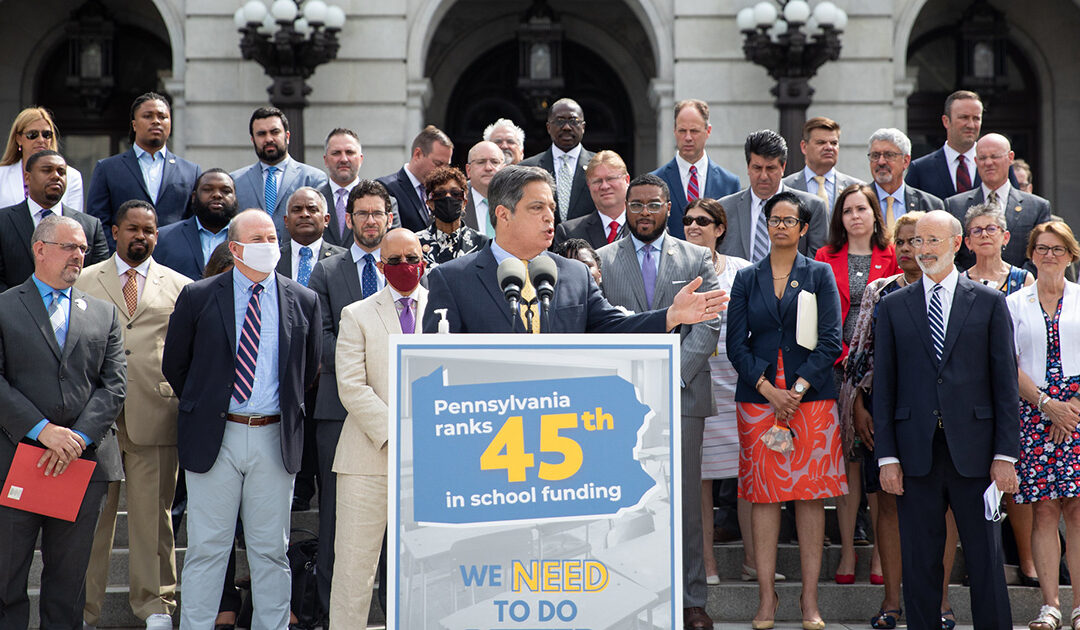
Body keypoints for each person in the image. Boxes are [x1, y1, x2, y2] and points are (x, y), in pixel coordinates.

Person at [161, 208, 322, 630]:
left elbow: (309, 371)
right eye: (258, 240)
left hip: (273, 437)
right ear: (234, 249)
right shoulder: (199, 296)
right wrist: (210, 405)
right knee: (207, 549)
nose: (270, 246)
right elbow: (176, 365)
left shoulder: (303, 299)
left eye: (273, 238)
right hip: (217, 434)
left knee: (271, 549)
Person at [874, 210, 1019, 630]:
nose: (922, 250)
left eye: (932, 241)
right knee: (919, 559)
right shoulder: (894, 306)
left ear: (957, 243)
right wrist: (887, 459)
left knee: (986, 561)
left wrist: (1005, 454)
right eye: (917, 241)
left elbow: (1005, 385)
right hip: (915, 453)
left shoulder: (989, 302)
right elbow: (884, 387)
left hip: (976, 453)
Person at [596, 173, 722, 630]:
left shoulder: (694, 257)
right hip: (619, 401)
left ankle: (690, 599)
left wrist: (668, 377)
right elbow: (602, 326)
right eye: (636, 205)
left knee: (685, 499)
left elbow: (708, 323)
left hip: (682, 395)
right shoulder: (604, 260)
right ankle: (620, 590)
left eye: (652, 205)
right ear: (625, 208)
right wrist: (636, 384)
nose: (643, 213)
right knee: (623, 499)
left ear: (668, 207)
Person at [421, 165, 729, 335]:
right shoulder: (452, 279)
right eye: (537, 207)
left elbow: (613, 328)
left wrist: (671, 316)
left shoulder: (573, 274)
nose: (549, 217)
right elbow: (435, 367)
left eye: (552, 208)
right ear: (503, 214)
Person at [726, 191, 845, 630]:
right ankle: (766, 599)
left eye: (788, 219)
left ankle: (809, 601)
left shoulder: (819, 274)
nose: (780, 226)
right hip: (759, 400)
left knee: (810, 496)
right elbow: (736, 344)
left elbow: (831, 340)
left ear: (802, 227)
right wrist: (767, 388)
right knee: (764, 496)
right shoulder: (746, 278)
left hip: (810, 399)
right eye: (773, 219)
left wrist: (793, 390)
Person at [0, 215, 126, 630]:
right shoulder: (3, 307)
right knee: (6, 581)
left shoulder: (105, 315)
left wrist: (77, 438)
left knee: (69, 585)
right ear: (40, 248)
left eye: (84, 250)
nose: (80, 256)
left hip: (81, 465)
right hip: (15, 460)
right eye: (70, 247)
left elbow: (113, 387)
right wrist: (43, 430)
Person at [76, 200, 191, 630]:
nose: (141, 236)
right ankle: (83, 609)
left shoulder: (180, 285)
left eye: (149, 229)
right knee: (90, 520)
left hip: (156, 410)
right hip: (94, 416)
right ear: (116, 230)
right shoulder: (84, 280)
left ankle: (155, 606)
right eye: (133, 229)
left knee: (153, 517)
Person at [306, 178, 395, 618]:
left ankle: (390, 613)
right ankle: (329, 616)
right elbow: (323, 337)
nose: (370, 220)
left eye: (377, 213)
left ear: (389, 217)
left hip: (397, 413)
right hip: (339, 413)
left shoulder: (409, 269)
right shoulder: (326, 270)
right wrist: (356, 373)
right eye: (362, 213)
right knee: (338, 525)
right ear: (348, 219)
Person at [330, 228, 427, 629]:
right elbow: (351, 387)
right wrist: (398, 433)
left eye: (413, 257)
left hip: (429, 460)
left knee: (423, 569)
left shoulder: (446, 307)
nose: (405, 267)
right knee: (354, 569)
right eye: (395, 260)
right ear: (380, 265)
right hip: (367, 459)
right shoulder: (357, 314)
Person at [843, 211, 926, 629]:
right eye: (904, 241)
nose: (911, 249)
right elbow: (860, 352)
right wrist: (858, 404)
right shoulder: (879, 290)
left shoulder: (950, 289)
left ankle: (939, 603)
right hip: (882, 411)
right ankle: (891, 602)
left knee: (938, 510)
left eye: (919, 241)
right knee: (888, 508)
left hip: (937, 416)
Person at [814, 184, 900, 586]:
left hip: (882, 373)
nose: (855, 216)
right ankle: (848, 550)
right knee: (846, 463)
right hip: (836, 368)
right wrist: (846, 355)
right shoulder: (824, 258)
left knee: (879, 459)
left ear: (874, 214)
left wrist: (866, 363)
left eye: (862, 208)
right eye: (847, 210)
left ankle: (881, 557)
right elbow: (820, 317)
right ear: (840, 218)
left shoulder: (895, 257)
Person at [1006, 222, 1080, 630]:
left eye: (1057, 249)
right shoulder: (1014, 304)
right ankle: (1050, 605)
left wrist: (1071, 408)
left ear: (1070, 254)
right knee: (1045, 510)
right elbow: (1007, 363)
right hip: (1033, 410)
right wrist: (1047, 404)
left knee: (1078, 510)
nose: (1049, 255)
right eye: (1041, 249)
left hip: (1078, 412)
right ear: (1031, 254)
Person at [679, 197, 756, 585]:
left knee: (747, 475)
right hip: (696, 379)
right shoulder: (676, 267)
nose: (694, 226)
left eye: (703, 221)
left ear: (720, 228)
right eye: (688, 221)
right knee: (701, 480)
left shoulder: (742, 269)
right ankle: (706, 563)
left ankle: (753, 563)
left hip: (738, 383)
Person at [85, 92, 202, 246]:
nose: (156, 121)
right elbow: (98, 223)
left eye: (162, 117)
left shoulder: (191, 171)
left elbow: (195, 223)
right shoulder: (107, 169)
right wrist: (117, 256)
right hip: (123, 261)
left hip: (173, 263)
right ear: (134, 124)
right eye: (148, 116)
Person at [0, 149, 109, 291]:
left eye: (61, 172)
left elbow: (99, 279)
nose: (56, 176)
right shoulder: (3, 221)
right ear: (27, 178)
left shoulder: (90, 226)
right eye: (47, 170)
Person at [717, 130, 828, 262]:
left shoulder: (812, 207)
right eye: (757, 168)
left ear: (783, 167)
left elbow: (817, 264)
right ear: (748, 167)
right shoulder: (724, 208)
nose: (763, 176)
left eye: (770, 168)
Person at [944, 133, 1051, 270]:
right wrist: (969, 284)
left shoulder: (1037, 207)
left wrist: (1018, 282)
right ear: (976, 161)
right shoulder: (955, 205)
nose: (988, 163)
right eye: (983, 158)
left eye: (994, 156)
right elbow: (950, 255)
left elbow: (1041, 253)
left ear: (1010, 158)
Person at [230, 106, 328, 240]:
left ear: (287, 136)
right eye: (261, 134)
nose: (269, 139)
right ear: (253, 140)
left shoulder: (313, 178)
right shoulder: (236, 181)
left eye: (275, 132)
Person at [652, 99, 740, 238]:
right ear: (674, 131)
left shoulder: (728, 183)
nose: (688, 137)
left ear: (708, 131)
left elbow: (733, 234)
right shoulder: (655, 182)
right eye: (682, 131)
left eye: (694, 131)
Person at [319, 128, 401, 246]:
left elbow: (393, 245)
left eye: (350, 152)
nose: (343, 159)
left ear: (361, 159)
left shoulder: (386, 203)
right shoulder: (312, 203)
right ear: (325, 160)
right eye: (336, 153)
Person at [153, 169, 239, 281]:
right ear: (194, 197)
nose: (217, 195)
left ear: (235, 197)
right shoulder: (164, 238)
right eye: (207, 190)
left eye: (226, 191)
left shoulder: (247, 239)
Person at [520, 98, 596, 222]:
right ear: (548, 127)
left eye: (573, 121)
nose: (566, 127)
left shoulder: (599, 165)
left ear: (583, 127)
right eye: (559, 121)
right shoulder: (527, 168)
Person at [905, 90, 984, 202]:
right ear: (946, 121)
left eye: (976, 118)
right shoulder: (921, 169)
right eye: (964, 117)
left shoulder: (998, 165)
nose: (971, 125)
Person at [0, 107, 84, 211]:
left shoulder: (71, 177)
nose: (41, 140)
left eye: (46, 135)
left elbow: (73, 221)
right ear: (19, 139)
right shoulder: (2, 175)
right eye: (32, 135)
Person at [377, 125, 453, 232]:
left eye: (447, 166)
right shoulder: (385, 188)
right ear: (418, 154)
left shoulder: (443, 191)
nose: (443, 171)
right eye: (438, 164)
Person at [865, 128, 944, 230]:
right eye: (875, 155)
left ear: (906, 161)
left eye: (889, 155)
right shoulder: (858, 201)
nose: (881, 162)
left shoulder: (929, 205)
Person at [782, 117, 864, 214]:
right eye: (821, 142)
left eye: (834, 143)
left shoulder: (857, 187)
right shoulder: (785, 187)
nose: (829, 147)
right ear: (804, 147)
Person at [552, 150, 630, 251]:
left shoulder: (644, 225)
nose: (604, 186)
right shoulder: (569, 233)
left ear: (627, 180)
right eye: (597, 181)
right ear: (589, 186)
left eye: (610, 179)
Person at [415, 166, 489, 270]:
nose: (448, 197)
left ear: (464, 203)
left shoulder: (481, 242)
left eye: (455, 193)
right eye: (440, 194)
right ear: (430, 203)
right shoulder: (416, 243)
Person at [276, 186, 347, 284]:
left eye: (312, 209)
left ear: (326, 219)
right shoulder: (274, 258)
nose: (304, 214)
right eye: (297, 210)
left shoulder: (344, 259)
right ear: (286, 221)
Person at [463, 140, 505, 235]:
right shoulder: (454, 202)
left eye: (494, 162)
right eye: (481, 162)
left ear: (504, 169)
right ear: (468, 170)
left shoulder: (517, 202)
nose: (488, 168)